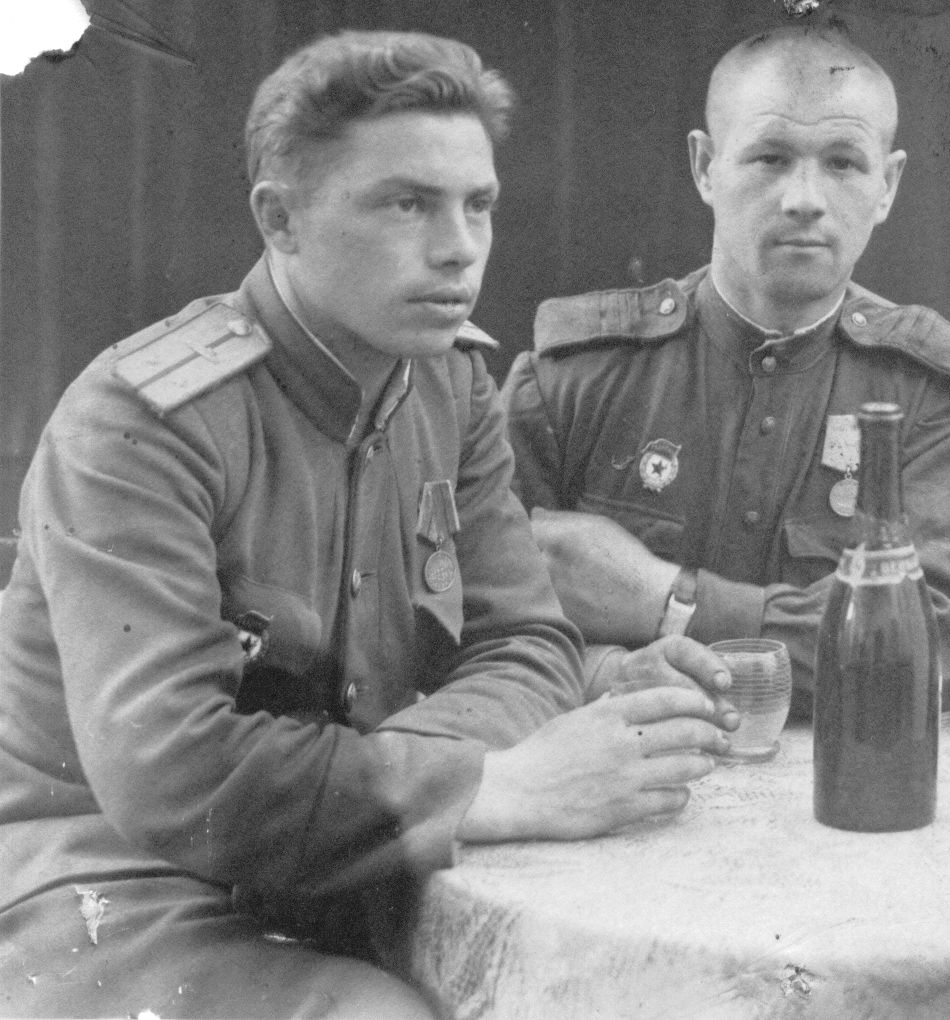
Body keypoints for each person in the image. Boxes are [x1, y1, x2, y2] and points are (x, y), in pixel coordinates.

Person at [0, 30, 737, 1019]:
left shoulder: (448, 384)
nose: (460, 247)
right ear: (281, 219)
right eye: (407, 204)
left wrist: (440, 773)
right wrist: (491, 787)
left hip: (345, 860)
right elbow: (168, 773)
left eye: (478, 205)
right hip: (115, 886)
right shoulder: (143, 424)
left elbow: (528, 643)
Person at [502, 24, 950, 711]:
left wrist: (669, 602)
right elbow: (472, 613)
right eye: (770, 157)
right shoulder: (574, 378)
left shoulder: (928, 394)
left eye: (843, 163)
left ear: (887, 185)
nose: (804, 198)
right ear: (706, 166)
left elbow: (942, 644)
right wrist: (600, 674)